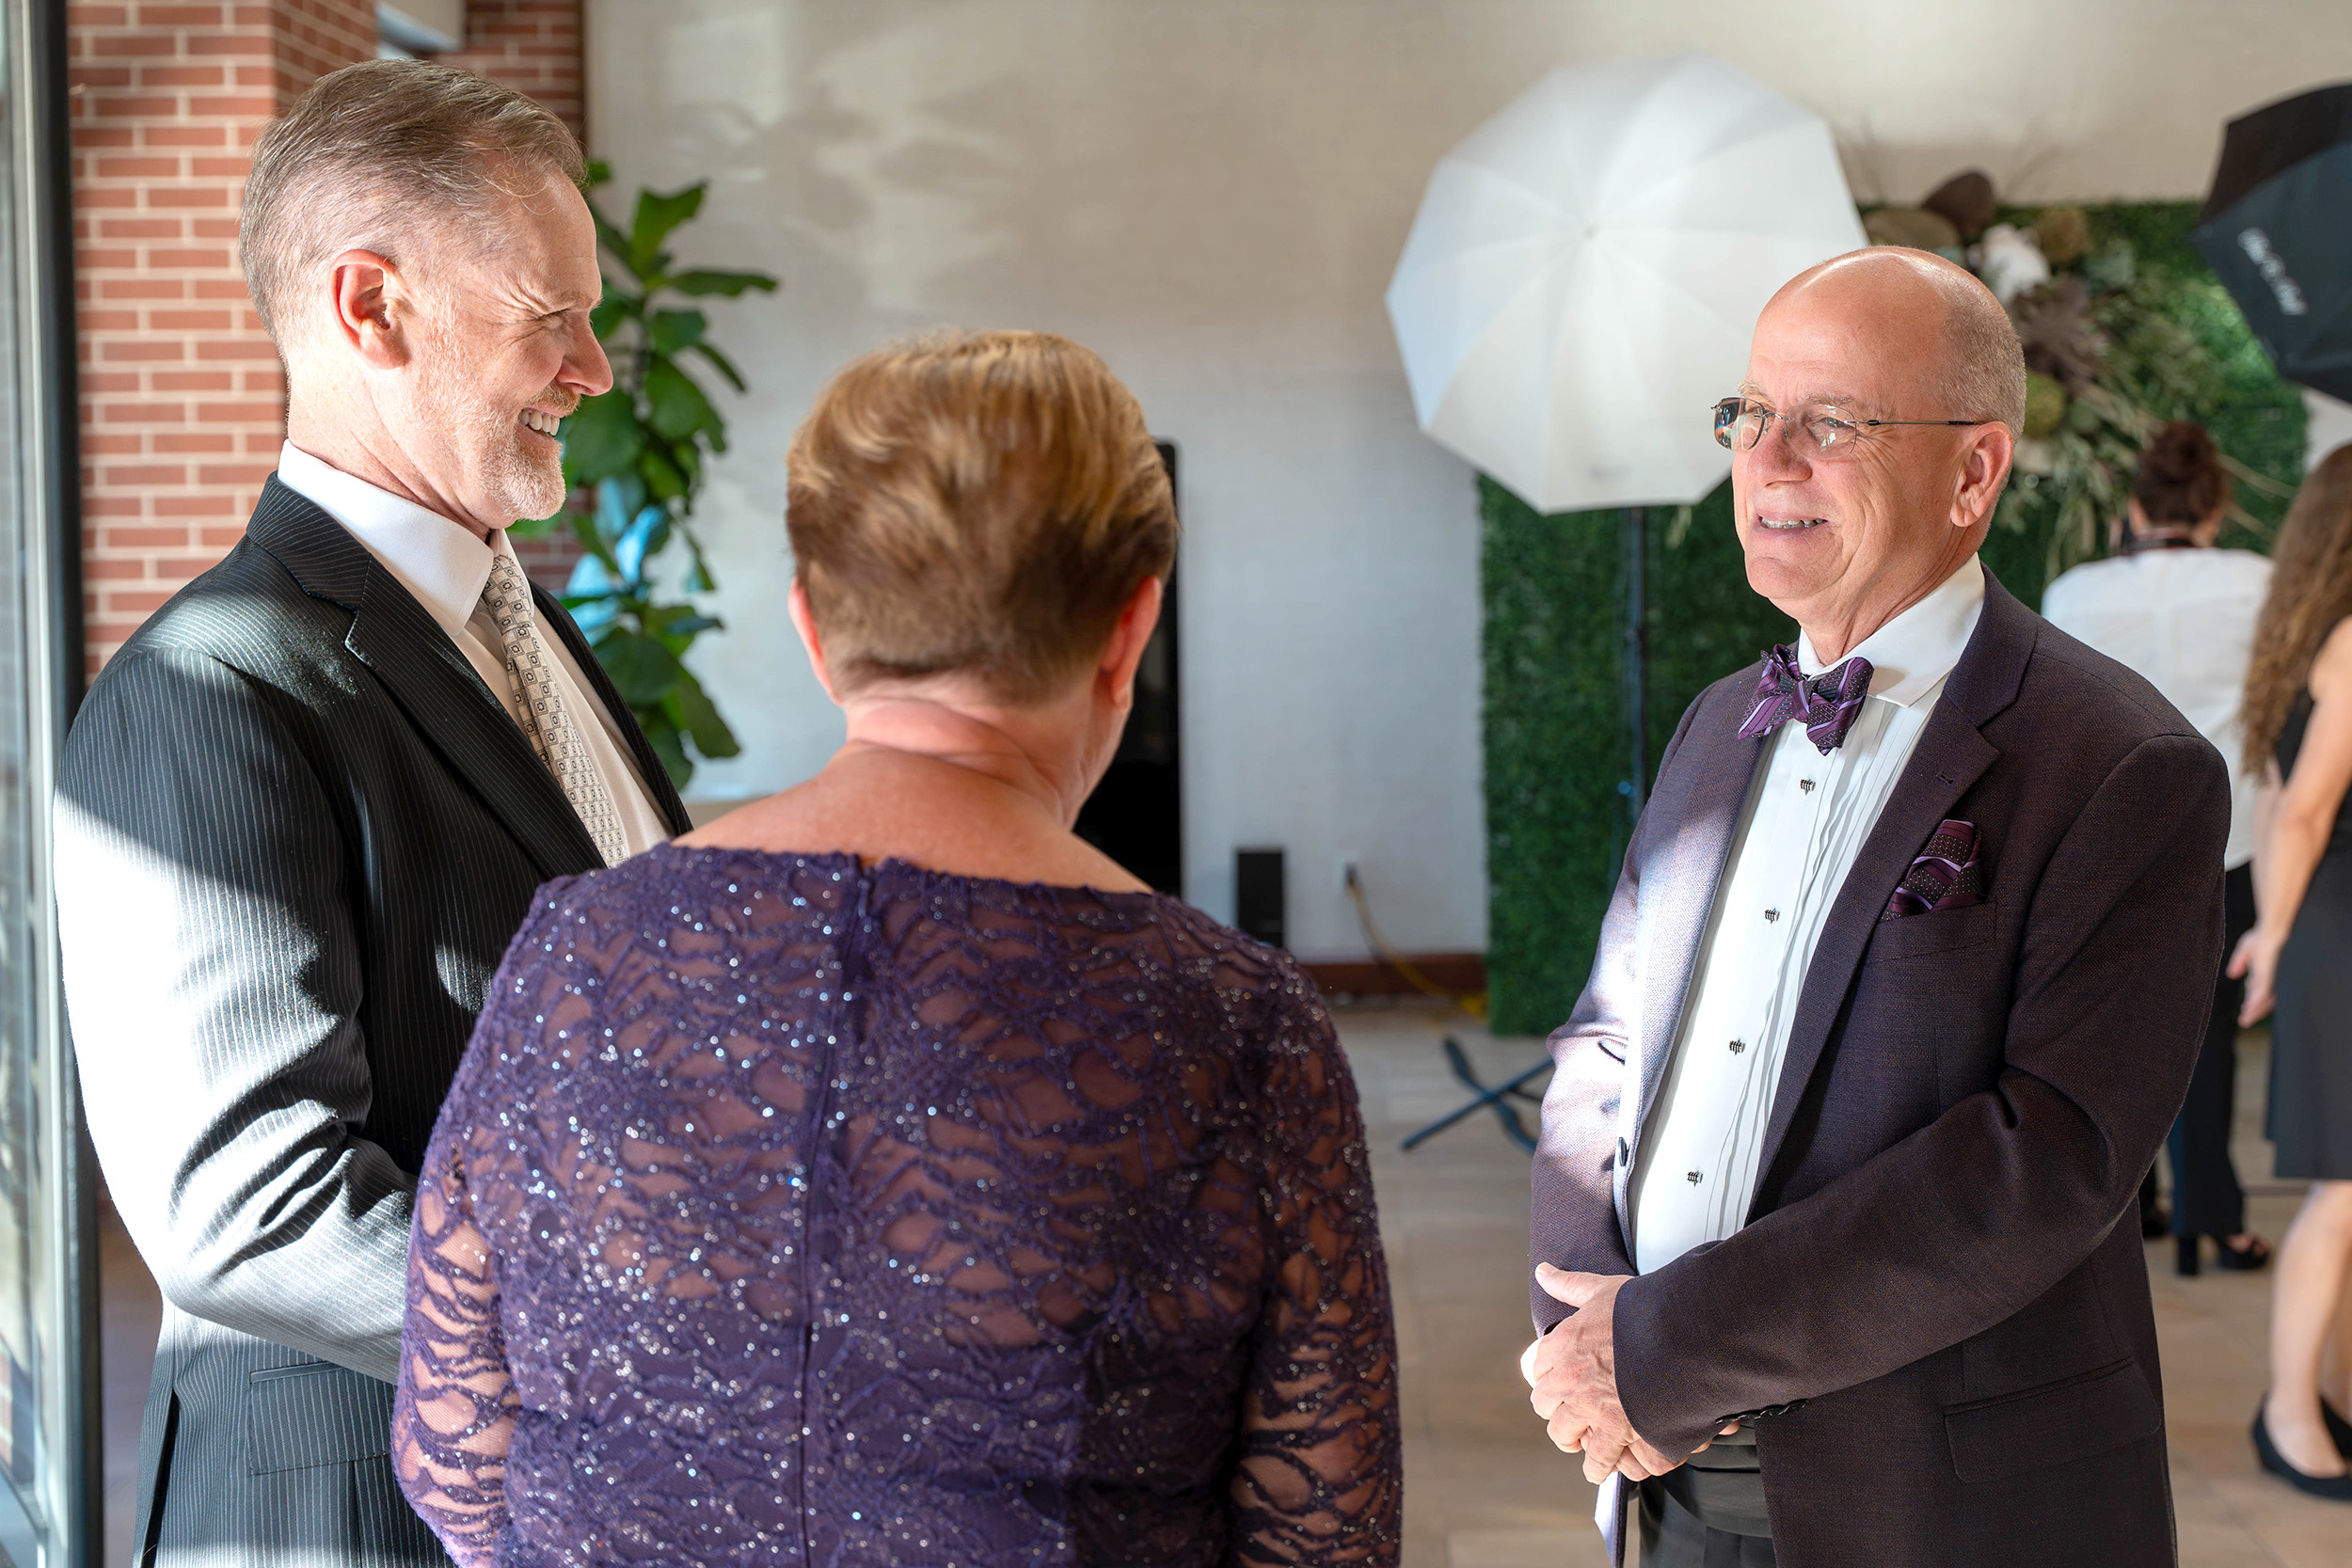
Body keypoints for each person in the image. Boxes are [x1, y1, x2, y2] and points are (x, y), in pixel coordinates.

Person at [389, 329, 1403, 1567]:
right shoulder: (1235, 1022)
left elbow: (459, 1462)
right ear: (1129, 630)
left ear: (813, 628)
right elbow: (1324, 1531)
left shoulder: (576, 950)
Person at [53, 60, 691, 1566]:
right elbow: (251, 1212)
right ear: (371, 308)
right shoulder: (209, 687)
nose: (595, 369)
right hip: (361, 1512)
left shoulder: (520, 620)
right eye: (555, 317)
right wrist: (664, 1328)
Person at [1526, 248, 2227, 1568]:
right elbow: (1606, 1039)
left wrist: (1664, 1348)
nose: (1770, 457)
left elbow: (2041, 1160)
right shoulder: (1714, 725)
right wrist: (1585, 1330)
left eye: (1833, 421)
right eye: (1751, 413)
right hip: (1666, 1479)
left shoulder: (2126, 765)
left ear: (1974, 472)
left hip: (1938, 1499)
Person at [2042, 420, 2274, 1275]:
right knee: (2204, 1034)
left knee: (2111, 1029)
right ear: (2217, 506)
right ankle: (2214, 1215)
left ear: (2136, 505)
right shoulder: (2262, 583)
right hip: (2233, 832)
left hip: (2108, 838)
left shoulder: (2075, 592)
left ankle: (2126, 1209)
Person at [2233, 443, 2352, 1500]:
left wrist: (2276, 928)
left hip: (2325, 924)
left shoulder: (2306, 636)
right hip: (2343, 929)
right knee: (2342, 1190)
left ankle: (2330, 1400)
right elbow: (2305, 805)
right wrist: (2276, 931)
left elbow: (2274, 801)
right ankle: (2288, 1411)